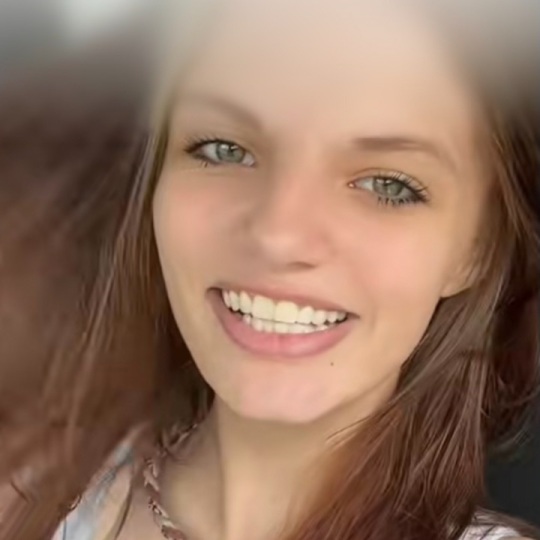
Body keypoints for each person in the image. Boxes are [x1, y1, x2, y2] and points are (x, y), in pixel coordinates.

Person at [0, 0, 538, 539]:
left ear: (480, 248)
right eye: (224, 149)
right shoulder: (29, 501)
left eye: (387, 185)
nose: (278, 235)